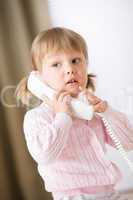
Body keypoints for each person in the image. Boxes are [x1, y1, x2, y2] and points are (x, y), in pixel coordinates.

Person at [15, 27, 133, 200]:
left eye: (76, 60)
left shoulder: (91, 111)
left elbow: (129, 141)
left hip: (110, 193)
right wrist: (63, 116)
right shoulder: (37, 118)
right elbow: (45, 155)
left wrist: (107, 111)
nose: (70, 69)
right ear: (39, 78)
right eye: (56, 64)